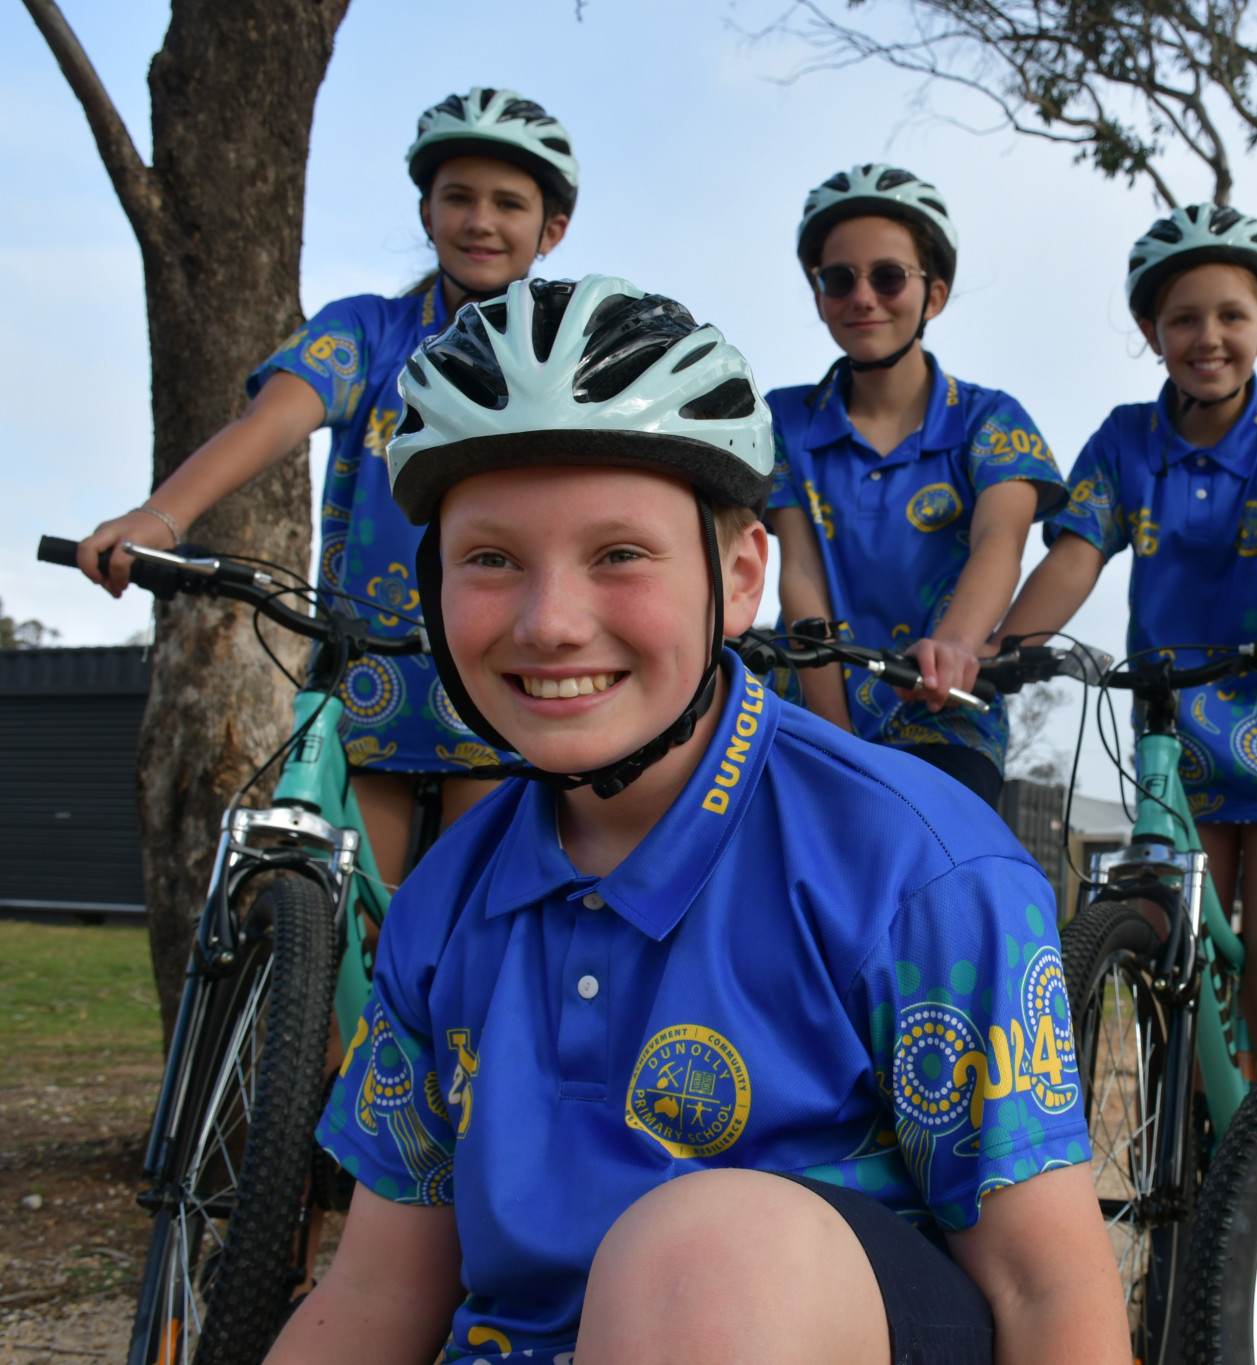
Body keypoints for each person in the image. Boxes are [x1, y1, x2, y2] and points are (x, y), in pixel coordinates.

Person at [263, 275, 1127, 1365]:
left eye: (618, 555)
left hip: (792, 1316)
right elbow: (376, 1294)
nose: (550, 623)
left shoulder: (915, 866)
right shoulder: (443, 900)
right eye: (489, 560)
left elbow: (1049, 1297)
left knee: (702, 1257)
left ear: (738, 577)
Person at [995, 203, 1257, 1365]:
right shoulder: (1125, 441)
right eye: (1183, 318)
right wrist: (1002, 652)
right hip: (1175, 727)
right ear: (1148, 330)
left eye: (1230, 315)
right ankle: (1186, 1231)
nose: (1207, 336)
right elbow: (1071, 556)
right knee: (1176, 978)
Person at [76, 86, 581, 883]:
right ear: (426, 213)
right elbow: (267, 425)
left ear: (551, 229)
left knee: (470, 929)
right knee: (337, 914)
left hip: (500, 669)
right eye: (458, 197)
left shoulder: (560, 353)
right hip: (367, 674)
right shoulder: (364, 331)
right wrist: (159, 516)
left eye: (508, 203)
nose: (480, 220)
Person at [765, 164, 1065, 809]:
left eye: (889, 276)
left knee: (941, 880)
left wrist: (955, 648)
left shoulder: (991, 418)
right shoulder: (782, 419)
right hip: (816, 707)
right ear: (818, 294)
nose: (862, 297)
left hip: (944, 706)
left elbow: (998, 541)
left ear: (934, 295)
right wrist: (833, 734)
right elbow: (801, 572)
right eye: (838, 279)